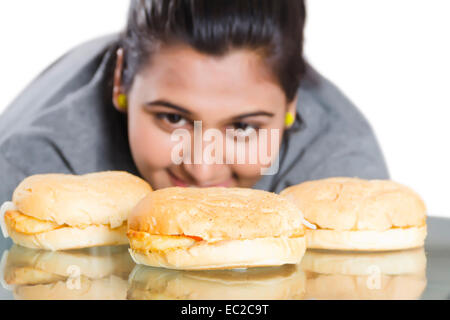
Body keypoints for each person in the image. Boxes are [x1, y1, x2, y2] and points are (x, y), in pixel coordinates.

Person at [0, 0, 388, 203]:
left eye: (243, 127)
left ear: (291, 106)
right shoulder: (34, 171)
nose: (202, 170)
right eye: (172, 117)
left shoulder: (343, 172)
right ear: (121, 81)